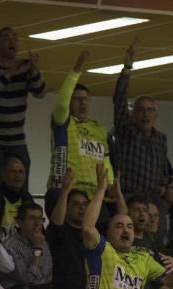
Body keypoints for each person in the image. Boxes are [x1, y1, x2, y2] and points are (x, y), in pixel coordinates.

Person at [0, 27, 46, 188]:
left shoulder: (25, 67)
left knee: (21, 187)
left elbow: (40, 93)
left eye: (15, 38)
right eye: (7, 38)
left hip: (16, 138)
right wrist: (9, 73)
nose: (12, 41)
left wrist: (35, 70)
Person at [47, 50, 113, 201]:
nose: (83, 103)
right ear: (70, 101)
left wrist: (110, 183)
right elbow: (62, 106)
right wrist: (76, 71)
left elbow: (106, 160)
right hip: (65, 191)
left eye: (85, 99)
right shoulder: (63, 122)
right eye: (77, 99)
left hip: (94, 196)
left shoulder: (99, 129)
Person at [114, 42, 173, 201]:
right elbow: (119, 99)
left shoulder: (161, 139)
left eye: (150, 110)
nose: (145, 114)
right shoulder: (126, 130)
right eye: (141, 110)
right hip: (128, 197)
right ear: (133, 114)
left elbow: (163, 166)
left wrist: (164, 183)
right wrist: (127, 68)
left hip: (153, 200)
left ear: (156, 114)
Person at [0, 202, 52, 289]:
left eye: (40, 219)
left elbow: (47, 276)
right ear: (20, 222)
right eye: (32, 219)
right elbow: (28, 280)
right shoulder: (9, 246)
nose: (37, 223)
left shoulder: (43, 242)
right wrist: (38, 249)